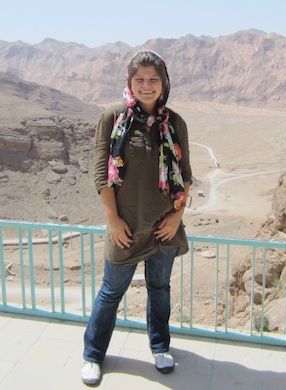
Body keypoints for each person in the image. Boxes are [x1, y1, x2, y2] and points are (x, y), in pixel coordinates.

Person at [80, 50, 193, 385]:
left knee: (159, 288)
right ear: (130, 82)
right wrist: (113, 220)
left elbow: (185, 175)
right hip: (125, 228)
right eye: (140, 79)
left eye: (153, 79)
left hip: (163, 227)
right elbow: (101, 173)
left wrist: (176, 217)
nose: (147, 86)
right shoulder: (112, 118)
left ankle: (160, 346)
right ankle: (93, 355)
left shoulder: (174, 123)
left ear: (164, 83)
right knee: (111, 293)